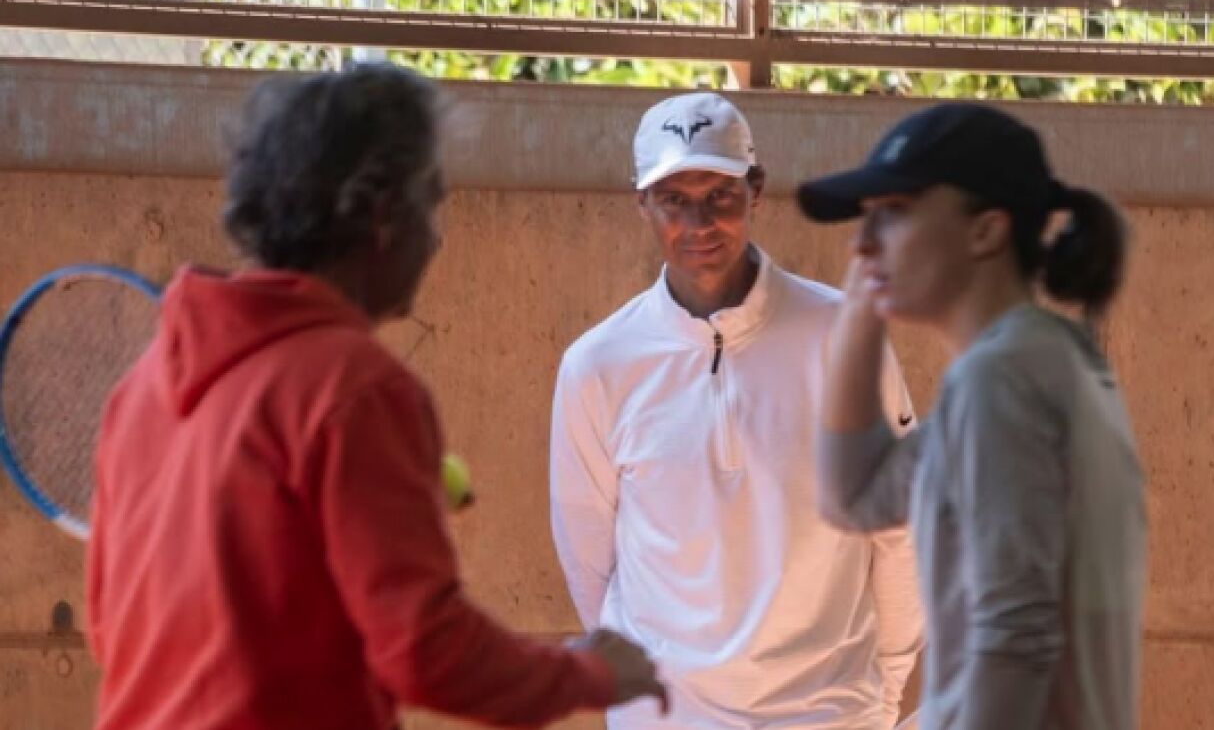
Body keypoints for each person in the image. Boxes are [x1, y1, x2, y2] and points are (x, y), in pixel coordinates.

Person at [87, 64, 665, 730]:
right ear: (382, 215)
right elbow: (426, 649)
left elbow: (112, 626)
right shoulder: (355, 387)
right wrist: (591, 672)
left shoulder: (141, 388)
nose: (438, 235)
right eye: (432, 201)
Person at [549, 91, 923, 729]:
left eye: (719, 194)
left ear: (756, 191)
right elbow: (591, 558)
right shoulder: (598, 365)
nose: (699, 224)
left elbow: (899, 529)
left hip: (827, 714)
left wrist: (883, 692)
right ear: (641, 203)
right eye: (674, 199)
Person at [799, 102, 1147, 730]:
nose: (862, 244)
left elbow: (1014, 637)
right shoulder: (1035, 361)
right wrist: (859, 312)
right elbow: (853, 495)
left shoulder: (1002, 380)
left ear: (986, 231)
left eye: (895, 213)